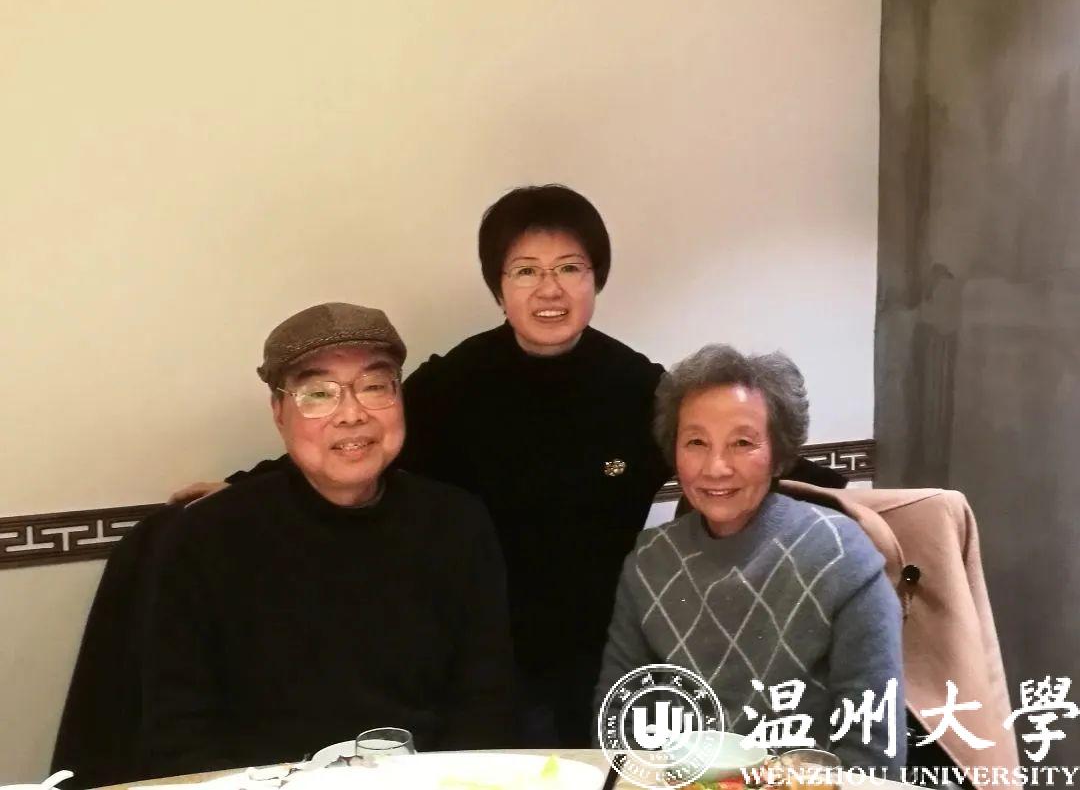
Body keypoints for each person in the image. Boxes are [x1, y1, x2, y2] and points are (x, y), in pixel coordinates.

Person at [169, 185, 845, 747]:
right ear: (499, 287)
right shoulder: (455, 382)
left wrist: (852, 502)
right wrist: (239, 487)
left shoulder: (637, 386)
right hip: (477, 659)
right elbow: (354, 436)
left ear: (596, 280)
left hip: (602, 650)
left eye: (570, 268)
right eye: (525, 270)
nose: (549, 289)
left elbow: (736, 451)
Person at [140, 303, 514, 777]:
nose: (352, 415)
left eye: (375, 386)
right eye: (318, 394)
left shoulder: (456, 523)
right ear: (279, 413)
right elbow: (179, 734)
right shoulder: (205, 538)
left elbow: (485, 705)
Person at [594, 344, 904, 769]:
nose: (716, 467)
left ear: (778, 454)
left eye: (742, 442)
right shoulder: (649, 560)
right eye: (696, 442)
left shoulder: (841, 556)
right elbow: (620, 715)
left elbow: (873, 746)